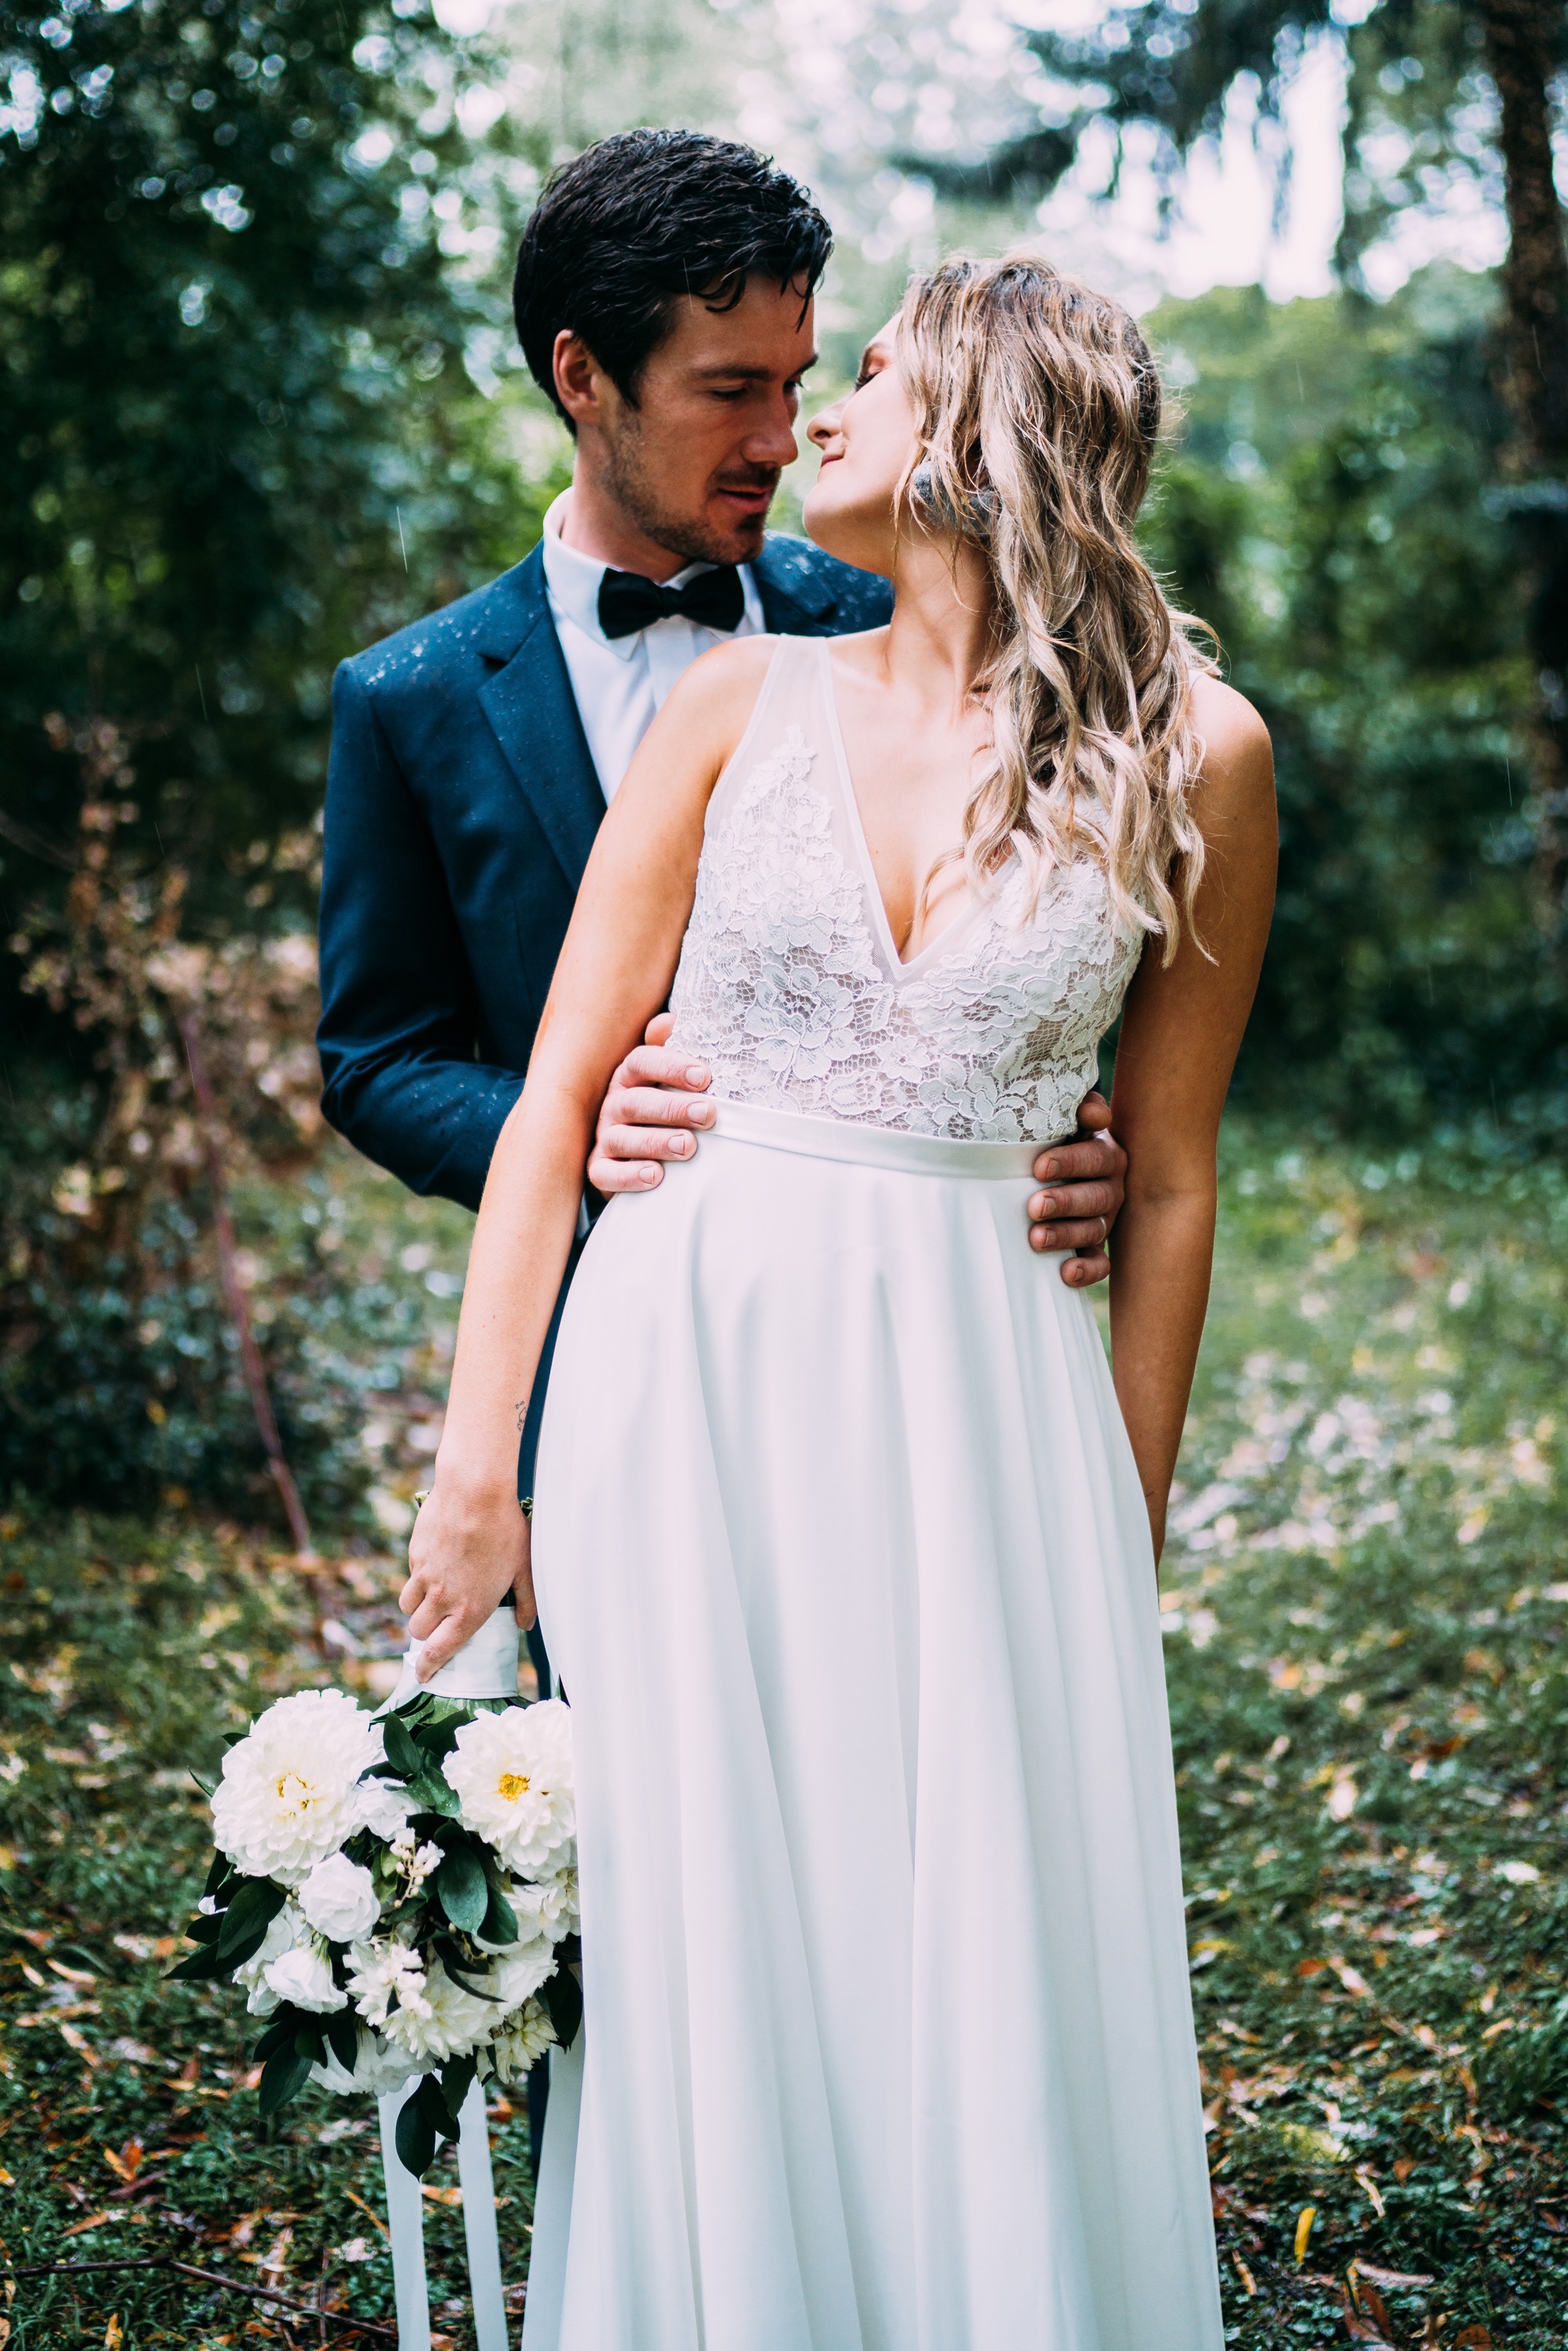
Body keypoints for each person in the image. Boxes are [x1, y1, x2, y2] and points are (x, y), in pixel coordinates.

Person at [404, 253, 1276, 2347]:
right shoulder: (736, 702)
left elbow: (1164, 1180)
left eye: (866, 374)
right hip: (681, 1385)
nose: (812, 417)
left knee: (967, 1917)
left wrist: (1111, 1522)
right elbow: (550, 1108)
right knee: (723, 1917)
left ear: (982, 432)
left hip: (989, 1399)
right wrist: (475, 1471)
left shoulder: (1203, 756)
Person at [316, 133, 1131, 1666]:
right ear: (583, 378)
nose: (783, 430)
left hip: (909, 1374)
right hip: (595, 1349)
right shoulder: (410, 699)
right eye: (727, 389)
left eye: (799, 376)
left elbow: (1054, 913)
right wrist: (565, 1128)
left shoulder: (890, 608)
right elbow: (371, 1051)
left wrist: (1089, 1140)